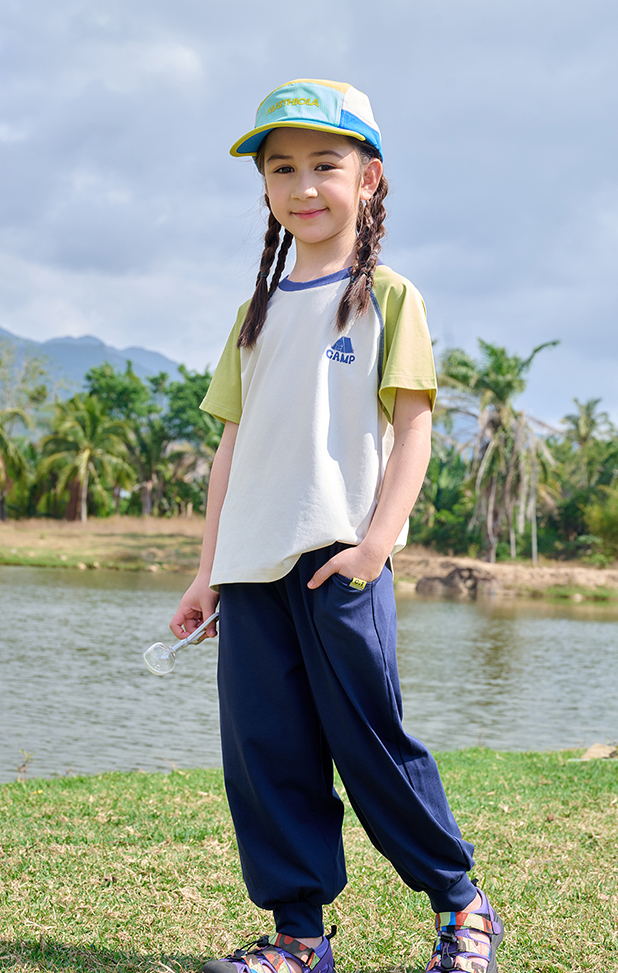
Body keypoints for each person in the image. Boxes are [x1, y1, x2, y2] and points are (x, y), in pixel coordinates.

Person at [169, 78, 504, 973]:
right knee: (266, 755)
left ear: (370, 178)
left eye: (325, 164)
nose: (303, 185)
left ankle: (462, 903)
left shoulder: (390, 297)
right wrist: (207, 571)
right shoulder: (256, 314)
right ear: (264, 187)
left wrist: (375, 545)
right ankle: (299, 939)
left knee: (372, 746)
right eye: (282, 169)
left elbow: (415, 429)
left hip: (340, 563)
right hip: (250, 572)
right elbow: (230, 451)